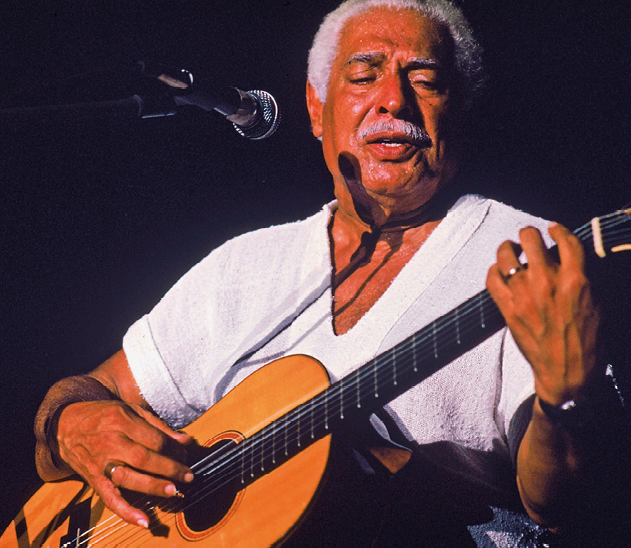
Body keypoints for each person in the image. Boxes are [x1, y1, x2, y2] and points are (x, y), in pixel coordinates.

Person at [33, 0, 626, 545]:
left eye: (425, 80)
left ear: (460, 112)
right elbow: (91, 391)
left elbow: (566, 504)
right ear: (317, 110)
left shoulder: (529, 257)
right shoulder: (244, 266)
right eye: (364, 75)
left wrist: (566, 400)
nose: (394, 100)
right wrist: (71, 422)